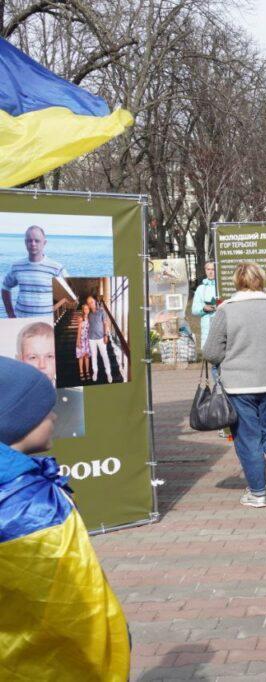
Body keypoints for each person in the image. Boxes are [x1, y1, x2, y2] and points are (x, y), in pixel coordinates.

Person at [0, 358, 130, 680]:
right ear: (16, 421)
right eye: (45, 412)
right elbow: (76, 608)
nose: (55, 416)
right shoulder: (33, 510)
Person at [203, 262, 266, 509]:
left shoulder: (226, 310)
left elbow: (212, 352)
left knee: (247, 437)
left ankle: (257, 492)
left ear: (237, 281)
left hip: (239, 384)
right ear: (261, 280)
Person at [2, 225, 67, 319]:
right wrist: (10, 313)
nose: (33, 244)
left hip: (47, 323)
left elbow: (68, 294)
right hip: (21, 321)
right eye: (29, 240)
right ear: (25, 243)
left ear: (44, 243)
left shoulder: (56, 268)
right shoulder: (17, 266)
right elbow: (5, 287)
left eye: (37, 240)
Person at [191, 261, 218, 349]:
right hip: (206, 325)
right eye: (208, 269)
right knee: (208, 352)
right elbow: (194, 310)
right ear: (205, 270)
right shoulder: (200, 288)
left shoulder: (221, 286)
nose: (210, 272)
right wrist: (204, 309)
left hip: (220, 323)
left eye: (213, 269)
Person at [75, 303, 92, 381]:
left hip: (88, 341)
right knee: (81, 356)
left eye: (87, 309)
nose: (86, 310)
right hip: (81, 339)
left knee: (87, 356)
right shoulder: (81, 318)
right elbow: (79, 331)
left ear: (89, 309)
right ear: (83, 310)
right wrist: (78, 341)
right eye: (85, 309)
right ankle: (81, 372)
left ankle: (87, 372)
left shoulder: (91, 318)